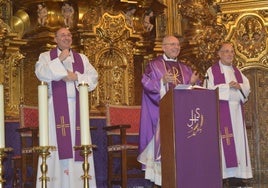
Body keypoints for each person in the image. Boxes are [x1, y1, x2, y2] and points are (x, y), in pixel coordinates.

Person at [35, 27, 98, 188]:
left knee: (79, 145)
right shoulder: (45, 57)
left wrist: (75, 77)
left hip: (78, 110)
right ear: (55, 39)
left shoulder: (81, 58)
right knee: (56, 147)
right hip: (55, 111)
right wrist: (59, 61)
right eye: (62, 35)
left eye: (69, 35)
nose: (66, 37)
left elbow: (93, 78)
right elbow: (41, 73)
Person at [138, 35, 199, 186]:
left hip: (182, 117)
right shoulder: (154, 65)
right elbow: (146, 84)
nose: (176, 47)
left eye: (177, 45)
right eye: (172, 44)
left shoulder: (186, 68)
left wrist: (191, 83)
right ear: (163, 47)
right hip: (160, 116)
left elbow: (193, 92)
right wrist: (162, 81)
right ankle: (160, 181)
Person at [204, 41, 252, 186]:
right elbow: (207, 91)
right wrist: (227, 87)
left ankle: (237, 177)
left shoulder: (238, 71)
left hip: (236, 113)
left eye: (231, 51)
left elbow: (247, 88)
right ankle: (223, 175)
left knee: (237, 142)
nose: (229, 54)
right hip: (221, 112)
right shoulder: (211, 71)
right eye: (226, 51)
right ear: (219, 54)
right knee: (223, 141)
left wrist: (239, 86)